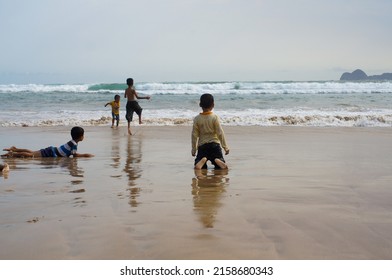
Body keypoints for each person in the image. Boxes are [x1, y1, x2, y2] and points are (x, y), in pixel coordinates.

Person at [1, 126, 94, 158]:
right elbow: (75, 156)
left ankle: (15, 149)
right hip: (53, 153)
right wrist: (87, 155)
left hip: (52, 150)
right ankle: (13, 154)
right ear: (81, 136)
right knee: (32, 155)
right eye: (83, 135)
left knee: (32, 152)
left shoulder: (72, 142)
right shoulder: (74, 144)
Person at [191, 93, 229, 169]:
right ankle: (217, 160)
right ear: (213, 104)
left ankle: (201, 161)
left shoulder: (197, 119)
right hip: (215, 145)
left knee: (200, 162)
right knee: (218, 159)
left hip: (203, 146)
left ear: (200, 104)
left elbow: (194, 135)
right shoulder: (214, 117)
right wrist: (225, 147)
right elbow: (220, 133)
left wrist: (194, 149)